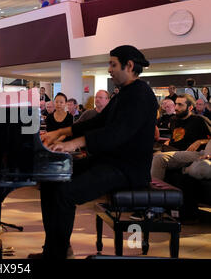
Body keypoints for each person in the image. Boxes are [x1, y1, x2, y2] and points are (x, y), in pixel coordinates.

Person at [30, 45, 158, 259]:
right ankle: (54, 249)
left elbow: (117, 133)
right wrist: (61, 132)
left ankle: (57, 254)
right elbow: (98, 121)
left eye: (113, 64)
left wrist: (73, 144)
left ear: (129, 65)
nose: (109, 69)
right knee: (51, 181)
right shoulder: (124, 93)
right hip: (110, 162)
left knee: (65, 193)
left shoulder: (141, 94)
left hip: (127, 170)